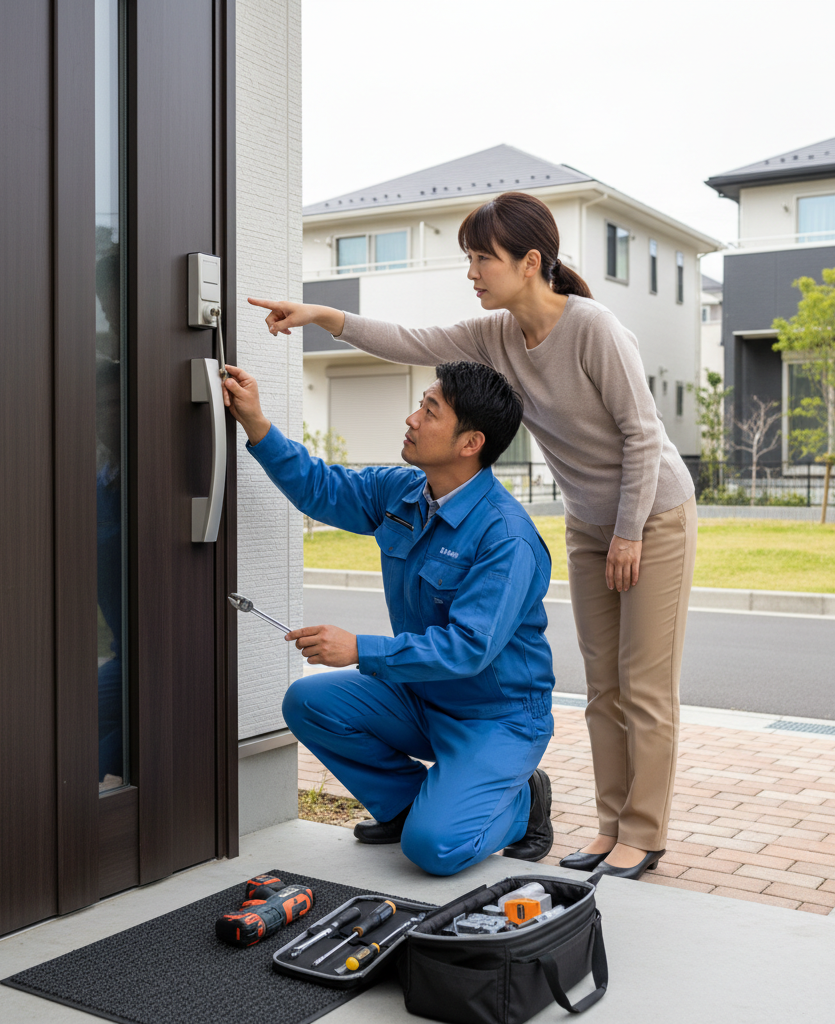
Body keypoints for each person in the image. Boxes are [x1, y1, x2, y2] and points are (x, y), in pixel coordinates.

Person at [248, 192, 697, 880]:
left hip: (652, 513)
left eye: (482, 258)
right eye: (470, 258)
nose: (472, 272)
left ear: (530, 262)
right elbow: (411, 341)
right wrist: (323, 315)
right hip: (588, 520)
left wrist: (630, 532)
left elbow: (642, 432)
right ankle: (607, 829)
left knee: (643, 685)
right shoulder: (495, 337)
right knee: (604, 685)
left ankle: (643, 833)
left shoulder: (594, 329)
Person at [222, 357, 556, 876]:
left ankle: (521, 806)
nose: (412, 419)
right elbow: (320, 488)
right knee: (308, 701)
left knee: (435, 851)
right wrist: (256, 423)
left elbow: (469, 648)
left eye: (430, 410)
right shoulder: (401, 492)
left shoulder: (505, 537)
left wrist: (360, 649)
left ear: (471, 444)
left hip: (496, 717)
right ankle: (408, 806)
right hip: (421, 695)